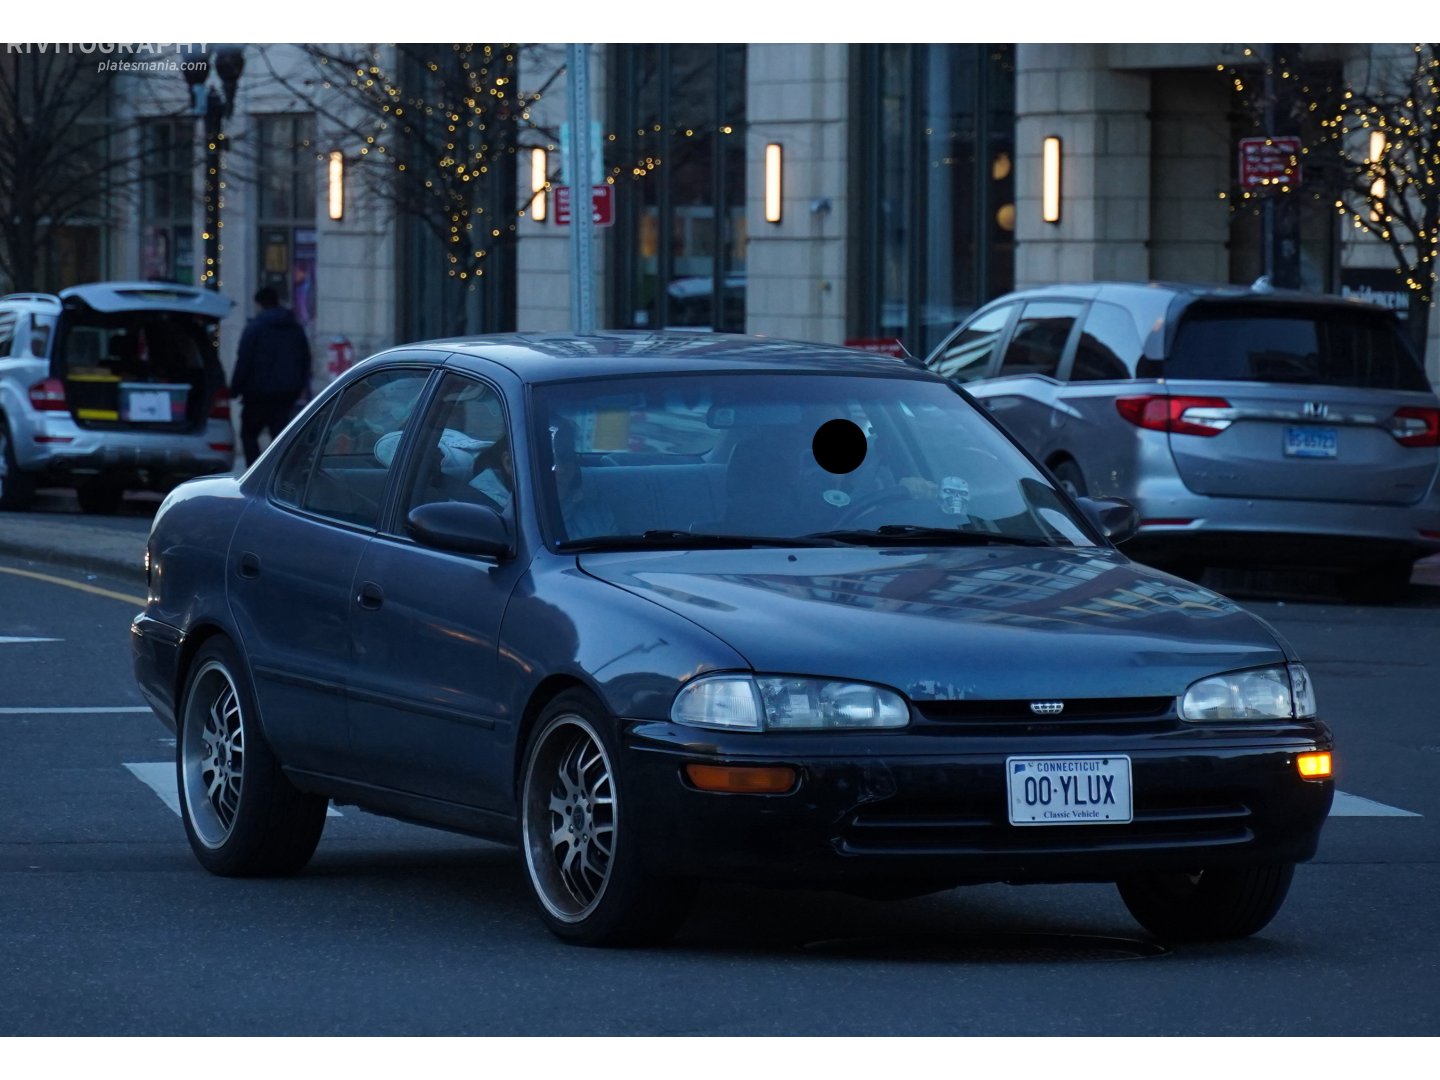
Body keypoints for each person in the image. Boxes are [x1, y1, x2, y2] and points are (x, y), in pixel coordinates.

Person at [230, 286, 312, 466]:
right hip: (286, 394)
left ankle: (255, 469)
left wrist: (234, 389)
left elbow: (244, 360)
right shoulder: (295, 328)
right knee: (280, 437)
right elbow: (305, 360)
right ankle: (278, 471)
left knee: (249, 434)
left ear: (259, 304)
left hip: (257, 395)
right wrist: (299, 387)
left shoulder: (254, 328)